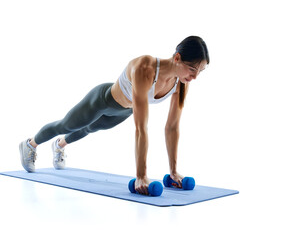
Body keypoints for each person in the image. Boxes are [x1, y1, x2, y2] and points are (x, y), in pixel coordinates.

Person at [19, 36, 209, 195]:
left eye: (200, 71)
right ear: (177, 58)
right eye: (192, 69)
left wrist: (174, 172)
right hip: (102, 100)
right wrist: (141, 175)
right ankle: (30, 144)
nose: (195, 77)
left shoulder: (182, 82)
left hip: (124, 111)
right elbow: (141, 128)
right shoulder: (146, 67)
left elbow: (172, 127)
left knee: (89, 128)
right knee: (67, 125)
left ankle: (59, 145)